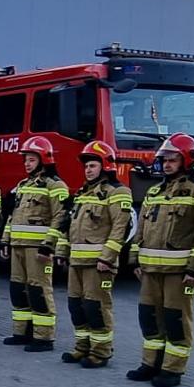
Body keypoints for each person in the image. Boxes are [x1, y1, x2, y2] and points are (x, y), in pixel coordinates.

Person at [125, 134, 194, 387]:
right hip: (150, 270)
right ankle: (150, 363)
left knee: (176, 320)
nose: (167, 165)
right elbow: (141, 229)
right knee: (149, 317)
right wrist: (134, 260)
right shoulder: (154, 191)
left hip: (179, 272)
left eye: (173, 160)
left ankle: (172, 369)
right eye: (164, 160)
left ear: (187, 160)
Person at [56, 141, 133, 368]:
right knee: (76, 306)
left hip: (98, 264)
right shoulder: (82, 193)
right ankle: (82, 347)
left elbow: (120, 228)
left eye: (93, 165)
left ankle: (100, 352)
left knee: (96, 307)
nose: (88, 170)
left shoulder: (118, 192)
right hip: (76, 261)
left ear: (105, 166)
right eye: (86, 166)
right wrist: (62, 251)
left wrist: (107, 258)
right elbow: (69, 226)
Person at [0, 135, 68, 353]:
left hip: (38, 250)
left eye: (31, 159)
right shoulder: (23, 185)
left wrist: (49, 246)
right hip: (18, 246)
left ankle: (44, 338)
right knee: (18, 290)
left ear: (44, 159)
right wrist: (5, 240)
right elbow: (13, 216)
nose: (27, 164)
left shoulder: (56, 186)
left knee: (39, 291)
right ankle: (22, 333)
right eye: (26, 160)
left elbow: (61, 218)